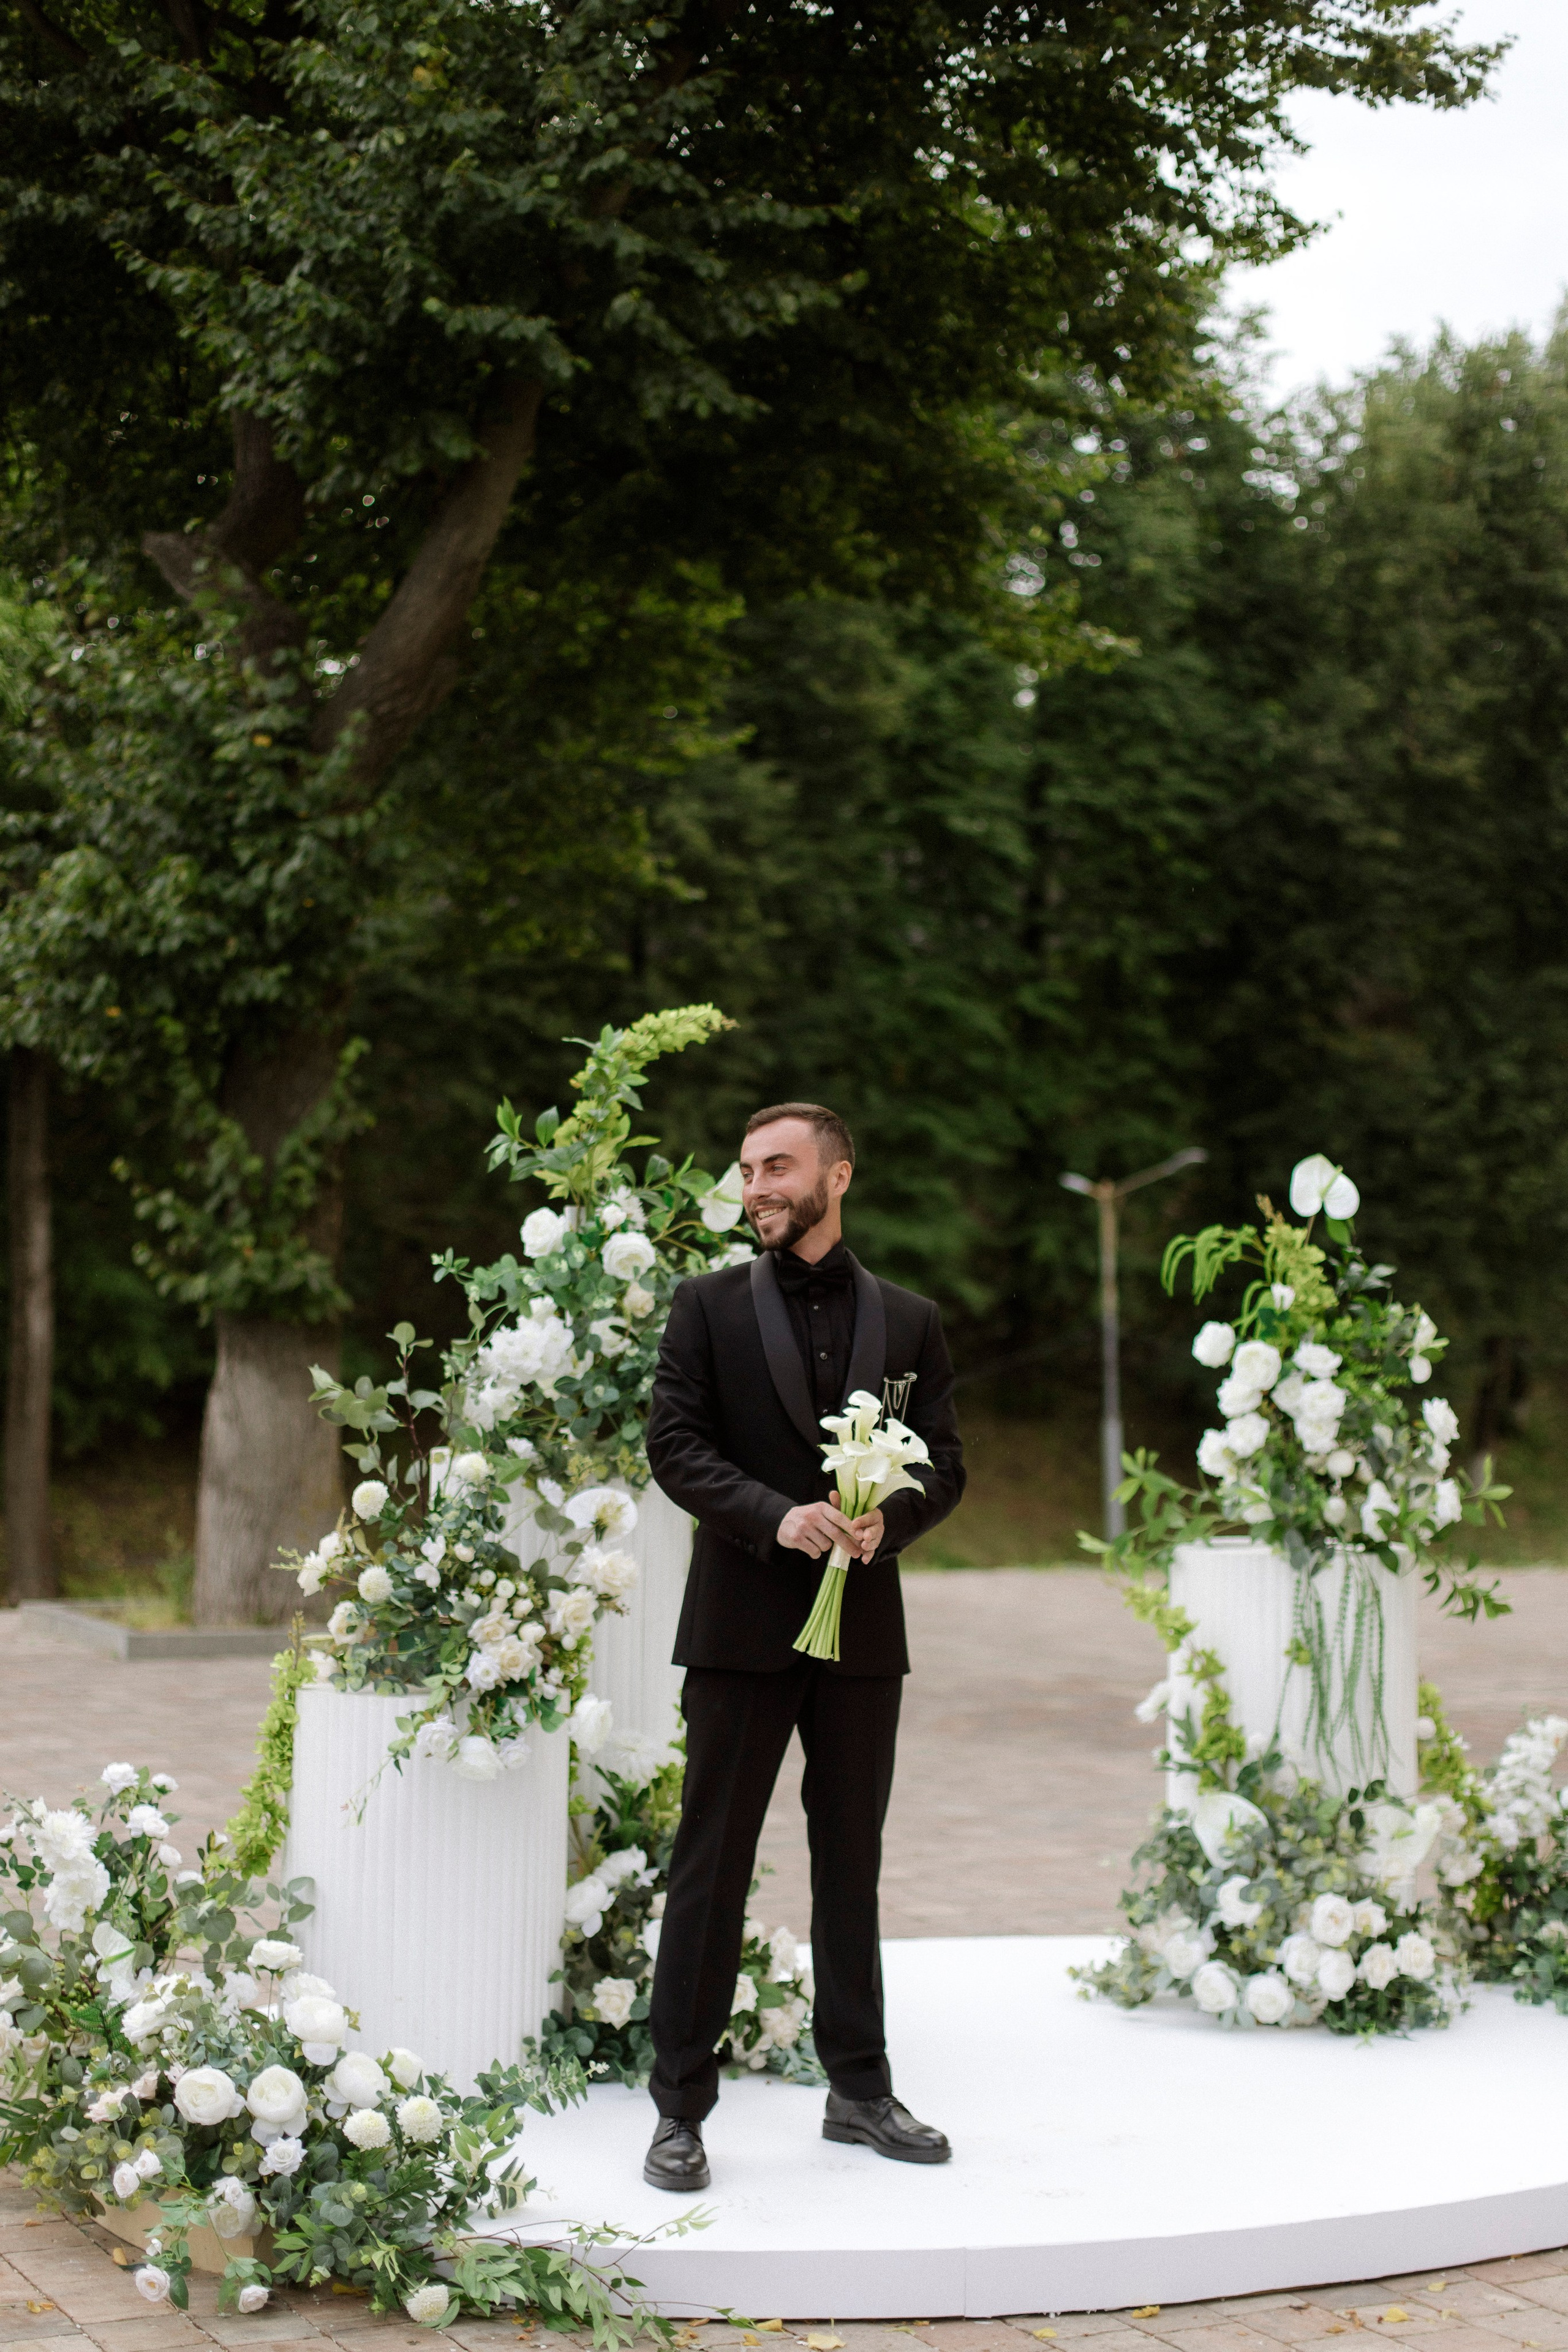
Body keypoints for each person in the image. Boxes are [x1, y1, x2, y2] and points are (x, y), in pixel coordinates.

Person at [641, 1100, 966, 2191]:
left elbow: (948, 1465)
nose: (755, 1186)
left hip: (863, 1635)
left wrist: (895, 1518)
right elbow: (674, 1448)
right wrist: (775, 1514)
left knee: (853, 1867)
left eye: (777, 1166)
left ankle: (860, 2092)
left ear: (838, 1175)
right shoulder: (706, 1306)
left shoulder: (912, 1319)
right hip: (737, 1630)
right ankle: (679, 2109)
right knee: (711, 1866)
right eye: (745, 1169)